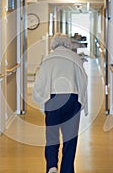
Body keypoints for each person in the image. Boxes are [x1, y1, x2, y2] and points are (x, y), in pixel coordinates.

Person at [32, 33, 88, 173]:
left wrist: (40, 99)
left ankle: (52, 166)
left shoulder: (48, 59)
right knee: (70, 139)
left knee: (52, 137)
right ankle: (67, 170)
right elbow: (83, 80)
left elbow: (40, 82)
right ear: (68, 44)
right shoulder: (75, 58)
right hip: (72, 99)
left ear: (53, 44)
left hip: (53, 100)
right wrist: (83, 102)